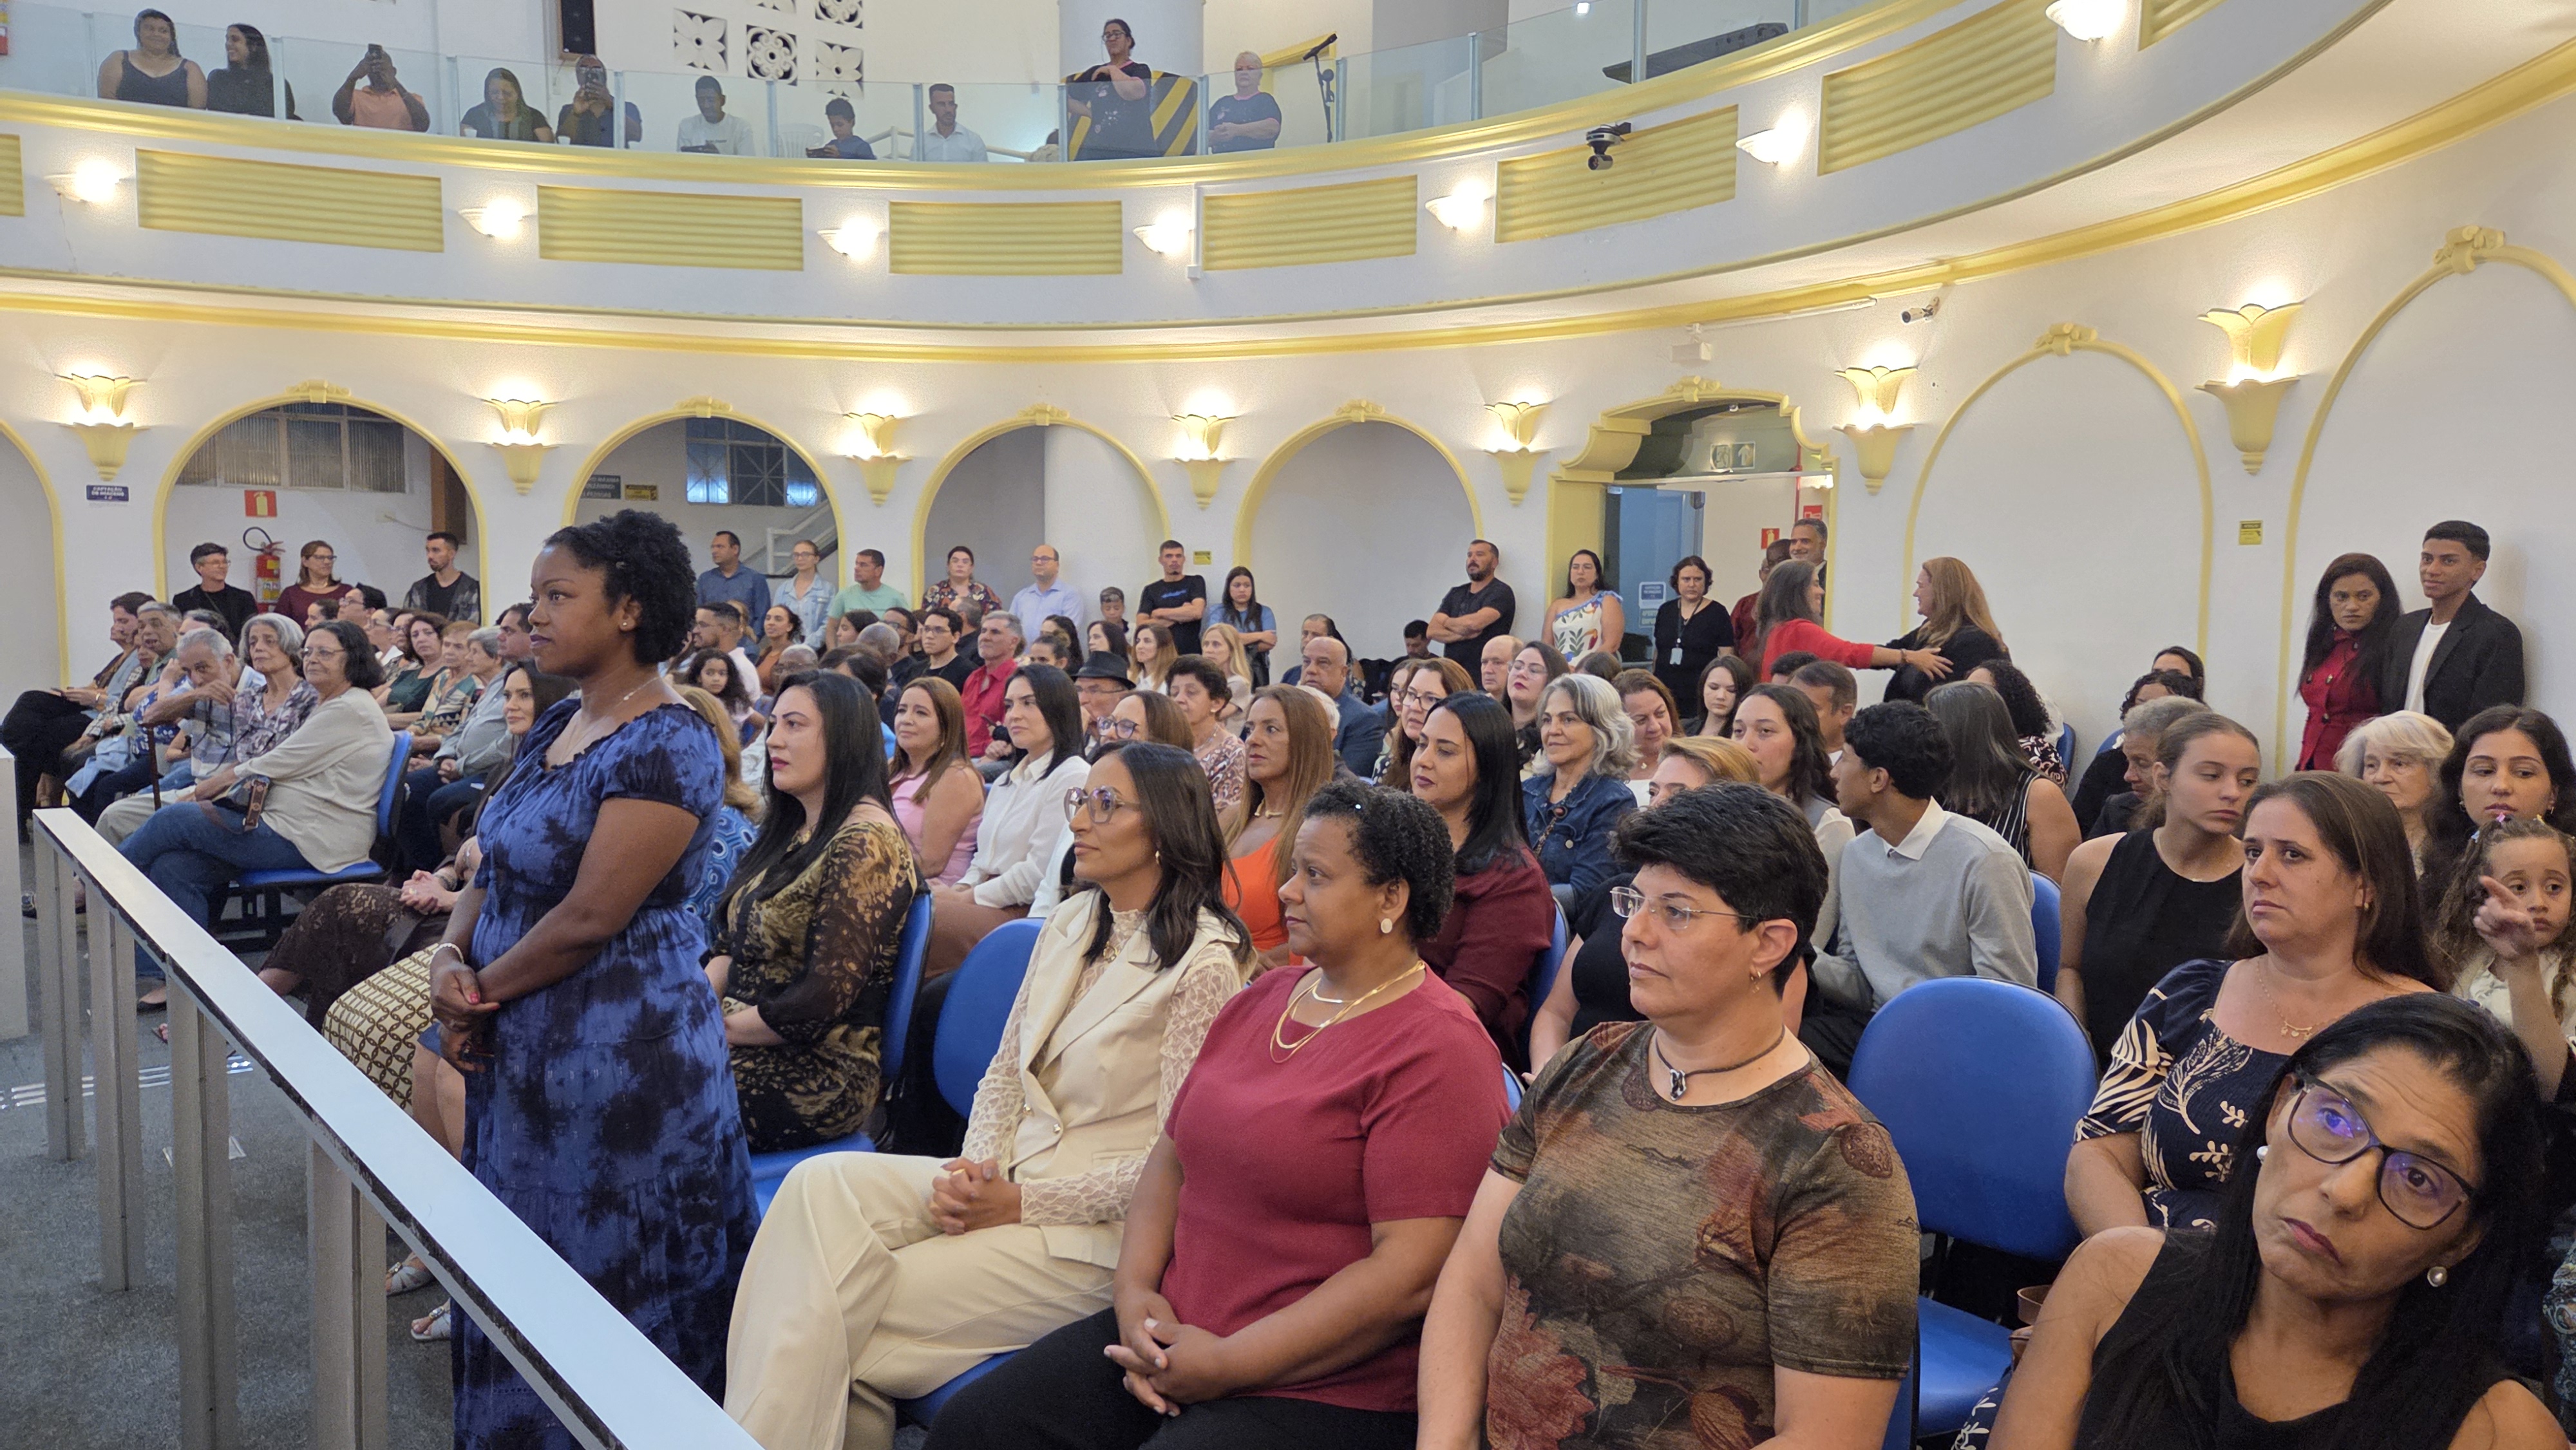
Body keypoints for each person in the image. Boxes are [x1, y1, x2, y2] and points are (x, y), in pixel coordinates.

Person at [928, 780, 1507, 1450]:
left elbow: (1406, 1274)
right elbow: (1170, 1157)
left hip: (1316, 1383)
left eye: (1313, 875)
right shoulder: (1267, 993)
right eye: (1292, 869)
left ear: (1391, 898)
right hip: (1173, 1330)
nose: (1286, 890)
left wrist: (1230, 1362)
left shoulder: (1439, 1047)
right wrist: (1135, 1296)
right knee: (975, 1427)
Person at [726, 740, 1253, 1450]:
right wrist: (975, 1169)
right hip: (1008, 1177)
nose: (1083, 821)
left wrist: (1020, 1204)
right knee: (818, 1189)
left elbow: (1175, 1164)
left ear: (1163, 828)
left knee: (825, 1306)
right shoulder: (1071, 921)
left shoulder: (1206, 963)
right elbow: (1006, 1070)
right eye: (1080, 800)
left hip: (1094, 1235)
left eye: (1105, 804)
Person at [1420, 782, 1918, 1450]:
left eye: (1676, 912)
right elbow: (1473, 1284)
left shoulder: (1834, 1160)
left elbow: (1828, 1434)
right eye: (1635, 901)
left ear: (1768, 942)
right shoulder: (1585, 1064)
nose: (1635, 931)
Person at [421, 511, 752, 1440]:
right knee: (521, 1266)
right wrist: (451, 954)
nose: (535, 615)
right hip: (525, 1036)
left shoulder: (670, 741)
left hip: (622, 1061)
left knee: (618, 1287)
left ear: (629, 610)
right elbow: (494, 860)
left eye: (560, 596)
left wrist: (481, 991)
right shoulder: (564, 719)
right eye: (535, 596)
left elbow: (590, 919)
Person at [1991, 996, 2555, 1450]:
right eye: (2335, 1119)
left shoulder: (2500, 1433)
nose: (2344, 1191)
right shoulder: (2114, 1280)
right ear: (2283, 1103)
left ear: (2463, 1239)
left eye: (2418, 1179)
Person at [2065, 772, 2441, 1237]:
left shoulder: (2421, 1033)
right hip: (2140, 1253)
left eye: (2293, 855)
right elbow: (2098, 1153)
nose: (2259, 874)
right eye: (2253, 852)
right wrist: (2137, 1266)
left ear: (2365, 886)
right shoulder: (2192, 992)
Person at [267, 663, 567, 1026]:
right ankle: (271, 1012)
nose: (510, 706)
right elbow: (466, 846)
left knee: (349, 919)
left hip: (491, 923)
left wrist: (454, 897)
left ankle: (256, 1010)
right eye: (506, 696)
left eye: (525, 696)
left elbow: (537, 880)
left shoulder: (562, 780)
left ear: (554, 701)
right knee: (337, 906)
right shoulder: (510, 767)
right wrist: (439, 878)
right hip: (462, 898)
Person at [121, 620, 395, 1006]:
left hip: (313, 838)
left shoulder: (352, 708)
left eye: (325, 653)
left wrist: (216, 783)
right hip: (279, 823)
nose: (313, 659)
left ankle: (100, 886)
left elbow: (281, 759)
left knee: (175, 819)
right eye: (310, 651)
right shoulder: (329, 703)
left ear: (354, 659)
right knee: (175, 866)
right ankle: (180, 977)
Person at [706, 672, 918, 1151]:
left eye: (795, 725)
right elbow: (728, 946)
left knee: (636, 1086)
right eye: (775, 723)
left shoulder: (868, 842)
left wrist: (712, 1028)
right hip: (745, 1034)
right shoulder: (796, 827)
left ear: (842, 739)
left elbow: (820, 1001)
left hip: (818, 1069)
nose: (774, 739)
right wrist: (692, 1010)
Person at [1799, 701, 2037, 1077]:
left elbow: (2006, 996)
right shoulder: (1858, 853)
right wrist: (1798, 952)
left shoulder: (1984, 861)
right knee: (1773, 1037)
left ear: (1879, 779)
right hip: (1879, 1027)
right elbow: (1860, 983)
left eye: (1844, 759)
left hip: (1953, 1042)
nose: (1833, 773)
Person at [1527, 736, 1763, 1066]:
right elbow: (1556, 1013)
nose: (1655, 806)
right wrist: (1547, 1076)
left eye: (1677, 795)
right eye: (1654, 792)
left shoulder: (1749, 916)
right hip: (1571, 1082)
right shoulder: (1616, 892)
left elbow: (1757, 1054)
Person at [2055, 712, 2259, 1062]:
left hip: (2206, 1083)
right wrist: (2077, 1052)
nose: (2232, 793)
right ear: (2163, 777)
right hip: (2103, 1070)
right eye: (2211, 776)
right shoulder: (2094, 862)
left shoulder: (2260, 879)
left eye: (2248, 780)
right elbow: (2070, 969)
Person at [1410, 692, 1555, 1062]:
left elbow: (1462, 1007)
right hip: (1368, 1019)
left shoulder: (1514, 880)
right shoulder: (1398, 844)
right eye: (1422, 744)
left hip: (1447, 1056)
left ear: (1488, 766)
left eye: (1445, 751)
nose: (1423, 761)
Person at [924, 666, 1091, 974]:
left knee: (923, 920)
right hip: (984, 899)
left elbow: (1039, 873)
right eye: (1010, 705)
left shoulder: (1073, 774)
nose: (1014, 715)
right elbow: (981, 861)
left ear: (1058, 709)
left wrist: (965, 899)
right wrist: (959, 889)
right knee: (914, 904)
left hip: (1023, 912)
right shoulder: (1005, 781)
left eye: (1029, 703)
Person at [2435, 816, 2576, 1095]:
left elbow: (2557, 1087)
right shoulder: (2465, 963)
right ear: (2483, 895)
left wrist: (2522, 963)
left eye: (2554, 888)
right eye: (2518, 888)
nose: (2538, 904)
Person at [6, 592, 160, 831]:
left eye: (123, 622)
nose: (116, 627)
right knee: (32, 705)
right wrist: (75, 693)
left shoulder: (144, 658)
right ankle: (20, 804)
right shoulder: (122, 658)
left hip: (99, 715)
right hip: (93, 709)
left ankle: (20, 807)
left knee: (35, 737)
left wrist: (95, 697)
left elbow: (121, 700)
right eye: (115, 621)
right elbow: (98, 686)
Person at [1222, 686, 1337, 964]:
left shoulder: (1321, 829)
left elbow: (1328, 936)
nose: (1253, 741)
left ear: (1304, 742)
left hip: (1275, 984)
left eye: (1271, 730)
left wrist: (1248, 963)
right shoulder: (1230, 818)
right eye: (1250, 729)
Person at [2378, 520, 2525, 732]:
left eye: (2448, 561)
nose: (2432, 570)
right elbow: (2388, 705)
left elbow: (2492, 723)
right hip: (2395, 753)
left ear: (2477, 570)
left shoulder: (2497, 634)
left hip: (2451, 759)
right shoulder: (2405, 628)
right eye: (2427, 559)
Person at [1925, 680, 2080, 880]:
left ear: (1962, 736)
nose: (1924, 741)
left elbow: (2059, 893)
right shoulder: (1936, 787)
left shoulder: (2039, 794)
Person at [2419, 705, 2576, 892]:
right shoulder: (2437, 867)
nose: (2501, 786)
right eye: (2484, 771)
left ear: (2554, 793)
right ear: (2459, 788)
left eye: (2524, 773)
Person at [1522, 674, 1639, 906]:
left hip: (1562, 931)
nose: (1552, 730)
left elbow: (1585, 893)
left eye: (1568, 720)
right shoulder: (1526, 790)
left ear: (1602, 728)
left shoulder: (1614, 801)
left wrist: (1509, 902)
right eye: (1547, 720)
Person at [1754, 561, 1947, 683]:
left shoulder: (1778, 630)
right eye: (1814, 584)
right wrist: (1910, 657)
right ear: (1797, 591)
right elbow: (1850, 653)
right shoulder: (1799, 630)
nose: (1821, 591)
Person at [2296, 551, 2400, 770]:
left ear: (2382, 599)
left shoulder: (2396, 645)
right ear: (2327, 600)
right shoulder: (2324, 642)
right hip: (2312, 764)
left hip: (2362, 769)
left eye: (2363, 597)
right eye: (2341, 597)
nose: (2351, 607)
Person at [1729, 683, 1854, 858]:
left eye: (1765, 731)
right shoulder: (1719, 809)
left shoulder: (1825, 822)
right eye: (1739, 731)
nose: (1745, 745)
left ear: (1800, 742)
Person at [887, 677, 983, 886]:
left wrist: (864, 872)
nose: (906, 719)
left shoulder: (956, 777)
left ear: (946, 725)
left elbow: (930, 865)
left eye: (921, 713)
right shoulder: (890, 768)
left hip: (929, 895)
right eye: (902, 710)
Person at [2079, 692, 2209, 840]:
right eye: (2128, 762)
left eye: (2142, 763)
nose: (2128, 776)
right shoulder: (2119, 810)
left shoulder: (2225, 820)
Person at [2336, 710, 2454, 869]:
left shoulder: (2460, 844)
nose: (2380, 777)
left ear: (2436, 769)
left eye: (2399, 763)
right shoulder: (2346, 841)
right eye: (2371, 765)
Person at [1885, 556, 2007, 704]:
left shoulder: (1977, 642)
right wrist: (1852, 653)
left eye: (1921, 586)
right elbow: (1888, 654)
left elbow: (1967, 707)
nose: (1916, 593)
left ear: (1941, 592)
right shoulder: (1930, 631)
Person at [1063, 17, 1157, 162]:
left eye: (1117, 34)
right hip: (1098, 149)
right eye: (1107, 36)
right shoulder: (1096, 73)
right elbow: (1064, 98)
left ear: (1129, 41)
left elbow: (1133, 92)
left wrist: (1112, 70)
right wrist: (1090, 113)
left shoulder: (1140, 69)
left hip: (1136, 150)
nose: (1112, 39)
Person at [1642, 554, 1730, 706]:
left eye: (1697, 579)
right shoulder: (1666, 610)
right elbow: (1659, 651)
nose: (1692, 585)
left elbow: (1726, 655)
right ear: (1677, 582)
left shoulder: (1717, 612)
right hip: (1665, 689)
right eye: (1686, 579)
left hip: (1699, 691)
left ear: (1706, 582)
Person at [1294, 632, 1384, 777]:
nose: (1311, 670)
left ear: (1343, 672)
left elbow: (1347, 785)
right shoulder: (1288, 710)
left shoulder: (1365, 721)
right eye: (1306, 662)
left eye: (1323, 663)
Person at [1965, 657, 2066, 786]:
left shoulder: (2036, 752)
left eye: (1978, 693)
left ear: (2008, 703)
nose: (1966, 700)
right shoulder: (1969, 743)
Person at [1381, 657, 1473, 794]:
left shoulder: (1462, 771)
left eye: (1431, 699)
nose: (1414, 706)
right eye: (1411, 694)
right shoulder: (1389, 764)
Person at [1166, 657, 1244, 813]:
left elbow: (1224, 819)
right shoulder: (1164, 742)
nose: (1179, 700)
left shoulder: (1232, 752)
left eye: (1191, 693)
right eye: (1174, 693)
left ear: (1217, 703)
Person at [97, 8, 204, 108]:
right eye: (150, 29)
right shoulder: (118, 60)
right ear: (138, 32)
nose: (156, 34)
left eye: (163, 31)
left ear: (172, 37)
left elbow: (197, 113)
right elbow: (107, 103)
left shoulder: (190, 69)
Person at [1542, 549, 1625, 661]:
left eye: (1587, 567)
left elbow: (1612, 644)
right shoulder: (1557, 605)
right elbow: (1546, 647)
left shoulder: (1607, 600)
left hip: (1593, 670)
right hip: (1559, 671)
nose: (1580, 572)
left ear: (1597, 574)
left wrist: (1585, 668)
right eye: (1575, 567)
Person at [960, 613, 1021, 759]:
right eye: (983, 631)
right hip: (962, 756)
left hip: (994, 758)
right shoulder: (973, 678)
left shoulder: (1017, 680)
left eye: (995, 632)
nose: (985, 637)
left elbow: (1013, 735)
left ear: (1013, 642)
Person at [1614, 669, 1680, 800]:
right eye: (1641, 720)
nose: (1654, 726)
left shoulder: (1692, 762)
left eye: (1660, 713)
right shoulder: (1605, 771)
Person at [204, 23, 296, 118]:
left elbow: (283, 116)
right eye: (227, 40)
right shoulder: (219, 79)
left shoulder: (276, 85)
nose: (228, 44)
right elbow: (217, 112)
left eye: (235, 39)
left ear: (253, 46)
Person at [332, 44, 428, 131]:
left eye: (383, 68)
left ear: (393, 72)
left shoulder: (412, 99)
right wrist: (352, 78)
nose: (379, 72)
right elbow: (341, 113)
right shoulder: (355, 97)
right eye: (374, 68)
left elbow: (423, 125)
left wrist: (396, 84)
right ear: (367, 73)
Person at [1135, 540, 1206, 657]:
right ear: (1161, 560)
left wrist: (1160, 613)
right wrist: (1183, 615)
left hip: (1191, 654)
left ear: (1184, 559)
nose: (1174, 560)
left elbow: (1197, 612)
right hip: (1160, 655)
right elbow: (1142, 625)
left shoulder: (1195, 581)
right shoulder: (1151, 590)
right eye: (1169, 556)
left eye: (1178, 556)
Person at [173, 541, 258, 639]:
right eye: (215, 563)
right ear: (199, 567)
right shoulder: (184, 600)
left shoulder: (244, 598)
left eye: (225, 562)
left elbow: (252, 632)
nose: (222, 566)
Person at [555, 54, 641, 148]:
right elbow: (562, 139)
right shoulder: (568, 110)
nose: (591, 73)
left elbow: (636, 135)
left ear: (604, 76)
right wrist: (576, 114)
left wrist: (612, 106)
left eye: (597, 69)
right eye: (584, 69)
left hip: (615, 161)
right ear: (578, 77)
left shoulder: (625, 107)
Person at [1207, 50, 1283, 152]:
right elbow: (1198, 137)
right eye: (1239, 69)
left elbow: (1272, 128)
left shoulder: (1265, 100)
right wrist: (1215, 136)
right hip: (1223, 164)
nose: (1244, 72)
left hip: (1256, 163)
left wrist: (1237, 130)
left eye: (1250, 69)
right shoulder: (1222, 103)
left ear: (1260, 76)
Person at [1008, 543, 1083, 647]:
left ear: (1057, 565)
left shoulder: (1069, 595)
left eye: (1045, 559)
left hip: (1054, 659)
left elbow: (1068, 633)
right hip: (1023, 660)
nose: (1039, 562)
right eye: (1035, 559)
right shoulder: (1021, 597)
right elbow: (1010, 630)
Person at [1213, 567, 1276, 688]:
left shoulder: (1265, 612)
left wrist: (1232, 641)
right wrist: (1260, 635)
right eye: (1237, 585)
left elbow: (1270, 642)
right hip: (1224, 668)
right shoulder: (1217, 611)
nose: (1242, 590)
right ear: (1228, 588)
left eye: (1247, 586)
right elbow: (1218, 639)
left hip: (1257, 671)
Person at [401, 530, 480, 624]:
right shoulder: (418, 589)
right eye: (428, 550)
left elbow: (470, 627)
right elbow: (408, 622)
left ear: (451, 554)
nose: (430, 556)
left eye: (436, 550)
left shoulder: (470, 588)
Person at [278, 540, 364, 625]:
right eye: (320, 558)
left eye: (330, 558)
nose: (327, 562)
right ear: (305, 561)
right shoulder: (291, 594)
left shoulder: (346, 592)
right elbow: (279, 626)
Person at [1788, 659, 1856, 763]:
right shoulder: (1772, 758)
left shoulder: (1860, 770)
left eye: (1809, 708)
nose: (1795, 716)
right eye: (1791, 705)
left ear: (1844, 713)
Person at [697, 529, 772, 623]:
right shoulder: (705, 579)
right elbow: (698, 614)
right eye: (713, 547)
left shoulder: (755, 579)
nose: (714, 551)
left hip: (745, 635)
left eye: (720, 547)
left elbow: (762, 616)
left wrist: (752, 637)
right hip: (711, 636)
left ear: (735, 549)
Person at [460, 67, 553, 142]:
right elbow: (466, 145)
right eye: (495, 93)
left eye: (507, 93)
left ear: (517, 93)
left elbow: (548, 148)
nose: (501, 97)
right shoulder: (475, 115)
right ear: (487, 94)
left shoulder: (534, 117)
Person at [772, 539, 832, 645]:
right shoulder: (783, 589)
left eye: (805, 555)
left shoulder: (827, 589)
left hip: (818, 648)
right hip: (787, 646)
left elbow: (829, 622)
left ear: (816, 559)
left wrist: (810, 644)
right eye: (796, 555)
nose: (800, 558)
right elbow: (775, 618)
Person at [679, 75, 758, 154]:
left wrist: (717, 156)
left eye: (711, 100)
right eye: (701, 100)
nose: (706, 105)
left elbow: (748, 163)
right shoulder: (687, 126)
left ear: (722, 100)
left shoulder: (741, 127)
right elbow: (682, 162)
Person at [922, 545, 1003, 620]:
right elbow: (926, 620)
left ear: (971, 567)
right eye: (955, 561)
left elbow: (997, 618)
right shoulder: (935, 592)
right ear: (948, 566)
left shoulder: (984, 591)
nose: (960, 565)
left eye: (965, 562)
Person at [1072, 652, 1133, 751]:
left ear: (1122, 698)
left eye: (1094, 691)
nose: (1081, 700)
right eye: (1078, 690)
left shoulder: (1127, 746)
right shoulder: (1074, 738)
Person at [916, 82, 990, 162]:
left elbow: (982, 173)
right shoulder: (922, 144)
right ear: (932, 108)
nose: (948, 110)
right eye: (942, 104)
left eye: (951, 104)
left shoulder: (974, 141)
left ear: (955, 106)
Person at [1689, 652, 1754, 741]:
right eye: (1714, 688)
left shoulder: (1743, 738)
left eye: (1731, 690)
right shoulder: (1683, 728)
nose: (1721, 696)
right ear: (1702, 688)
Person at [833, 547, 908, 621]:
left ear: (878, 570)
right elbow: (832, 627)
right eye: (857, 564)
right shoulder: (844, 595)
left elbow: (910, 627)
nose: (856, 568)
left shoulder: (896, 598)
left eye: (863, 565)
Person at [910, 607, 974, 691]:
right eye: (926, 629)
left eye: (938, 630)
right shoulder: (915, 669)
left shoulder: (969, 673)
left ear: (955, 637)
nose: (929, 636)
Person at [808, 96, 876, 159]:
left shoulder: (862, 147)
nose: (835, 129)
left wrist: (840, 157)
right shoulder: (831, 145)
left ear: (852, 122)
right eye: (832, 125)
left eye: (840, 125)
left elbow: (867, 169)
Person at [1129, 621, 1174, 694]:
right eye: (1138, 641)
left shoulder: (1171, 681)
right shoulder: (1131, 679)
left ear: (1162, 647)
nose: (1139, 646)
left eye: (1147, 641)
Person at [1477, 632, 1520, 699]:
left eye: (1497, 663)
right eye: (1484, 662)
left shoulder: (1535, 707)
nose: (1487, 670)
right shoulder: (1475, 706)